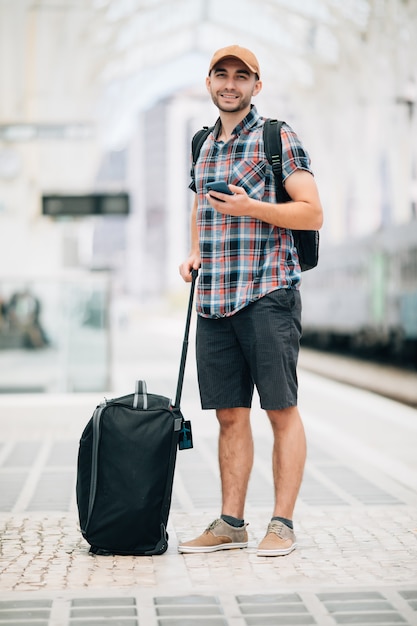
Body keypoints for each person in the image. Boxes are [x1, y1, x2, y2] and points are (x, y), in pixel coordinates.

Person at [178, 45, 323, 557]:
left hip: (267, 292)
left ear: (256, 86)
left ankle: (281, 524)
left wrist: (252, 207)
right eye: (222, 74)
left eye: (243, 76)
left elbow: (312, 213)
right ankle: (231, 523)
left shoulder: (275, 137)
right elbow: (200, 207)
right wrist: (194, 253)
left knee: (280, 410)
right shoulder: (200, 143)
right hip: (214, 298)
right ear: (210, 82)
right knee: (229, 415)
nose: (231, 83)